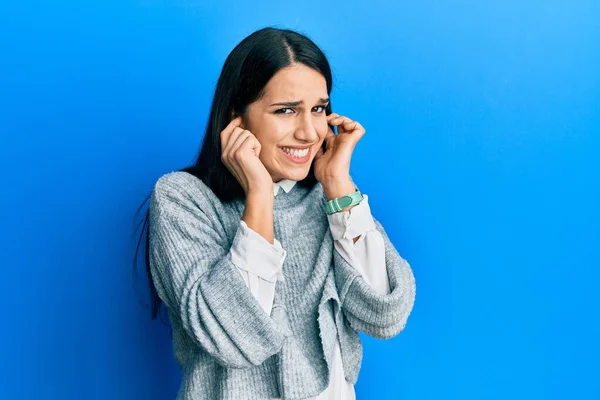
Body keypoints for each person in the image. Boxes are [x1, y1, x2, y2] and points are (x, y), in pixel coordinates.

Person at [133, 26, 416, 400]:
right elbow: (236, 338)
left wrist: (337, 183)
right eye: (285, 110)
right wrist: (260, 195)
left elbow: (385, 313)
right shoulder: (184, 198)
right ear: (238, 115)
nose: (309, 132)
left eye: (318, 109)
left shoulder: (329, 199)